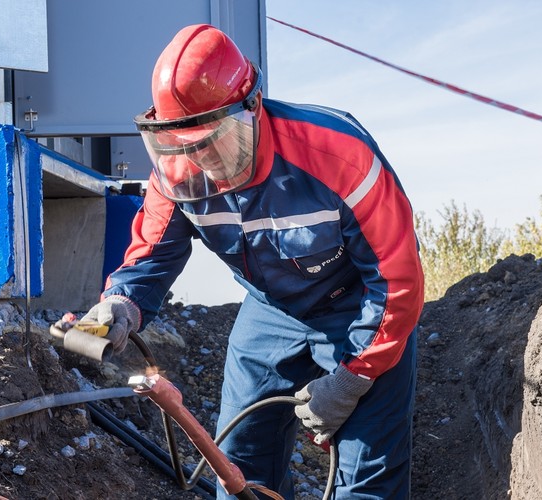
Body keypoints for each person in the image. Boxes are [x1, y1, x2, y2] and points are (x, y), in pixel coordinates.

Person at [81, 24, 424, 499]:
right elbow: (152, 255)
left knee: (367, 480)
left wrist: (352, 378)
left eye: (212, 140)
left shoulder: (339, 155)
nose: (202, 160)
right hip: (271, 309)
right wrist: (122, 302)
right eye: (185, 146)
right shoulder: (177, 169)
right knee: (237, 464)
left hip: (361, 306)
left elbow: (397, 281)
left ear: (252, 106)